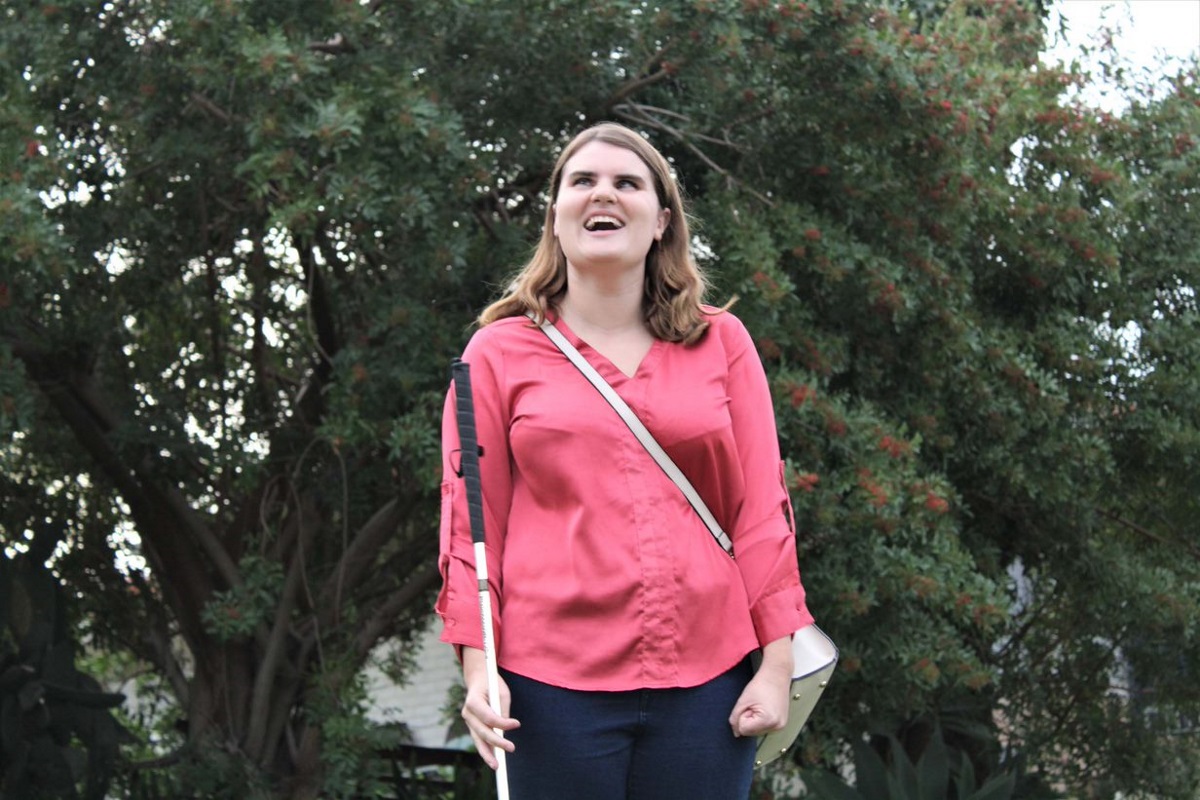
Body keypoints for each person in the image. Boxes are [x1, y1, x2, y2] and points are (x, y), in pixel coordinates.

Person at [436, 122, 814, 799]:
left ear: (661, 220)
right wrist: (477, 669)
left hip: (710, 685)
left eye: (626, 182)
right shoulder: (493, 356)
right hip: (548, 689)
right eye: (581, 181)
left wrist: (777, 663)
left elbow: (761, 509)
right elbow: (471, 529)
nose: (601, 193)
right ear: (555, 216)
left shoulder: (722, 342)